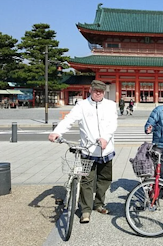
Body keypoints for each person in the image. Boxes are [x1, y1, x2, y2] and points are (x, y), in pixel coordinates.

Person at [48, 80, 118, 224]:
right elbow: (69, 119)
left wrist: (105, 138)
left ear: (104, 92)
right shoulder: (82, 105)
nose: (98, 93)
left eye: (101, 91)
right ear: (90, 90)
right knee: (87, 180)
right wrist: (57, 132)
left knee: (105, 179)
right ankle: (86, 210)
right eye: (95, 90)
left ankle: (99, 204)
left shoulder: (110, 105)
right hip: (88, 149)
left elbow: (113, 123)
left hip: (106, 148)